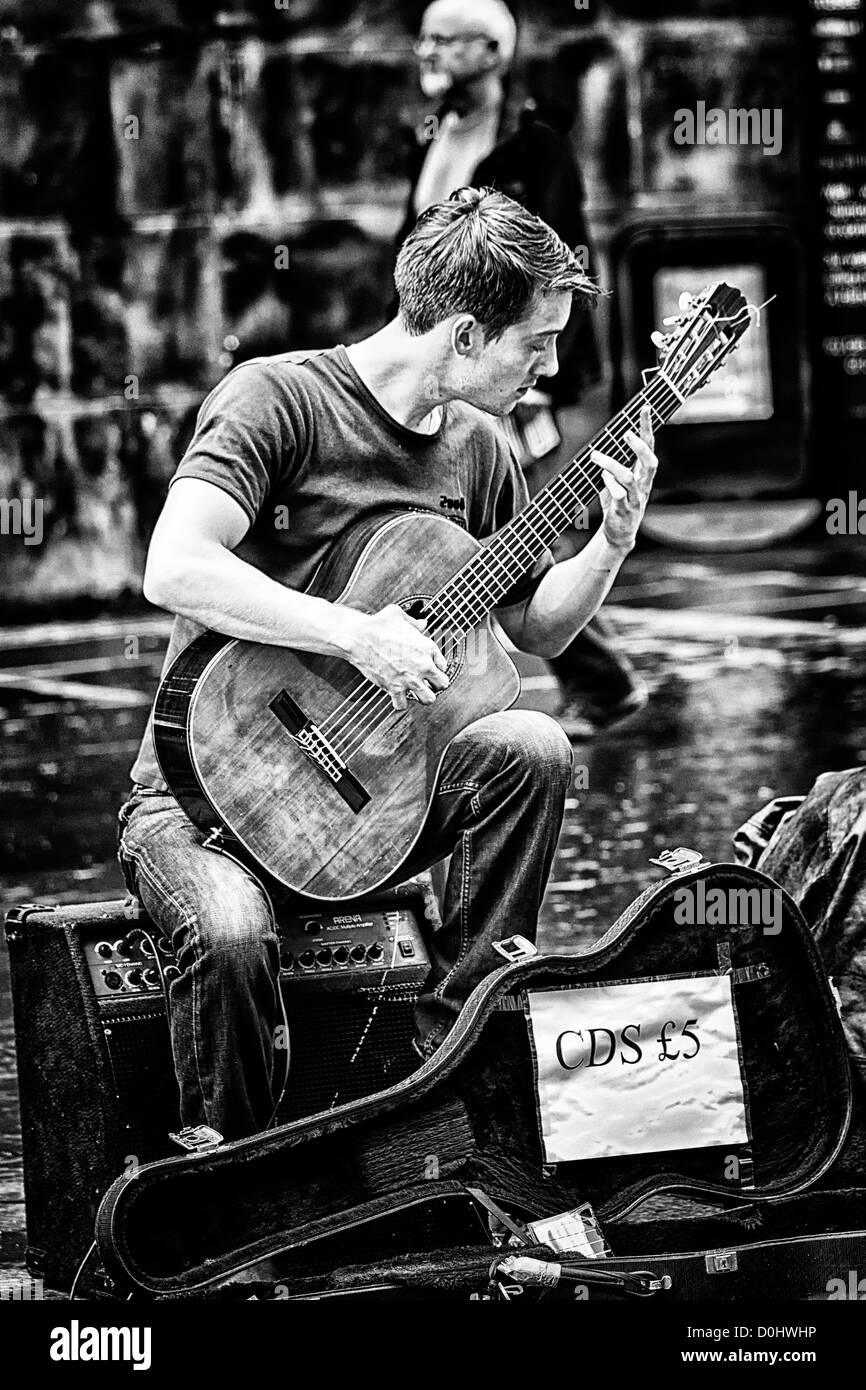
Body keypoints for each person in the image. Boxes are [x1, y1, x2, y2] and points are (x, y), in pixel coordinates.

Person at [118, 187, 659, 1142]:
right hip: (204, 797)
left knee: (530, 742)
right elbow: (175, 564)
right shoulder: (278, 399)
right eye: (535, 342)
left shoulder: (481, 448)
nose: (551, 366)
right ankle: (227, 1199)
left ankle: (448, 1083)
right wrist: (352, 632)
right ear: (461, 335)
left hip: (377, 808)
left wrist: (609, 545)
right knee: (234, 935)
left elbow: (537, 631)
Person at [400, 0, 648, 738]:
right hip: (454, 358)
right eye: (425, 38)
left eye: (445, 41)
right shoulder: (435, 134)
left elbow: (561, 266)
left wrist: (543, 376)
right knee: (506, 529)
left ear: (492, 51)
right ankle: (601, 682)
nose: (427, 53)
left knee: (519, 530)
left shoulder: (535, 144)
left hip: (514, 366)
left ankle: (605, 684)